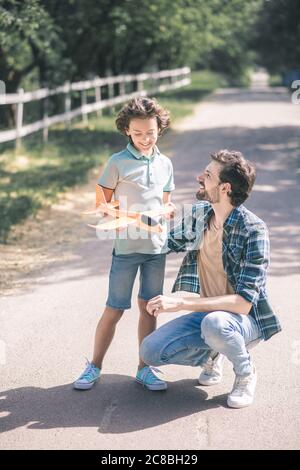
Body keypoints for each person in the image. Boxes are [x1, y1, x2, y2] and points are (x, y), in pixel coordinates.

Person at [140, 149, 282, 408]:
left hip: (244, 322)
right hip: (209, 317)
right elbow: (164, 244)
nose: (199, 178)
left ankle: (245, 372)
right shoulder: (200, 215)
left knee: (217, 324)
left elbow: (242, 304)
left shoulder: (254, 230)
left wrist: (180, 304)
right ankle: (214, 352)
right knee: (150, 351)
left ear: (224, 187)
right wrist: (148, 219)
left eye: (207, 175)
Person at [74, 97, 175, 391]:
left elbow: (166, 204)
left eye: (151, 132)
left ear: (160, 129)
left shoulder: (165, 164)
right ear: (127, 131)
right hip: (126, 250)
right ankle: (93, 366)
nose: (145, 138)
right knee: (115, 308)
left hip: (156, 250)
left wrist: (168, 212)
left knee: (149, 308)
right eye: (138, 133)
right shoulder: (117, 162)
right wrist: (126, 215)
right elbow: (100, 204)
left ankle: (146, 368)